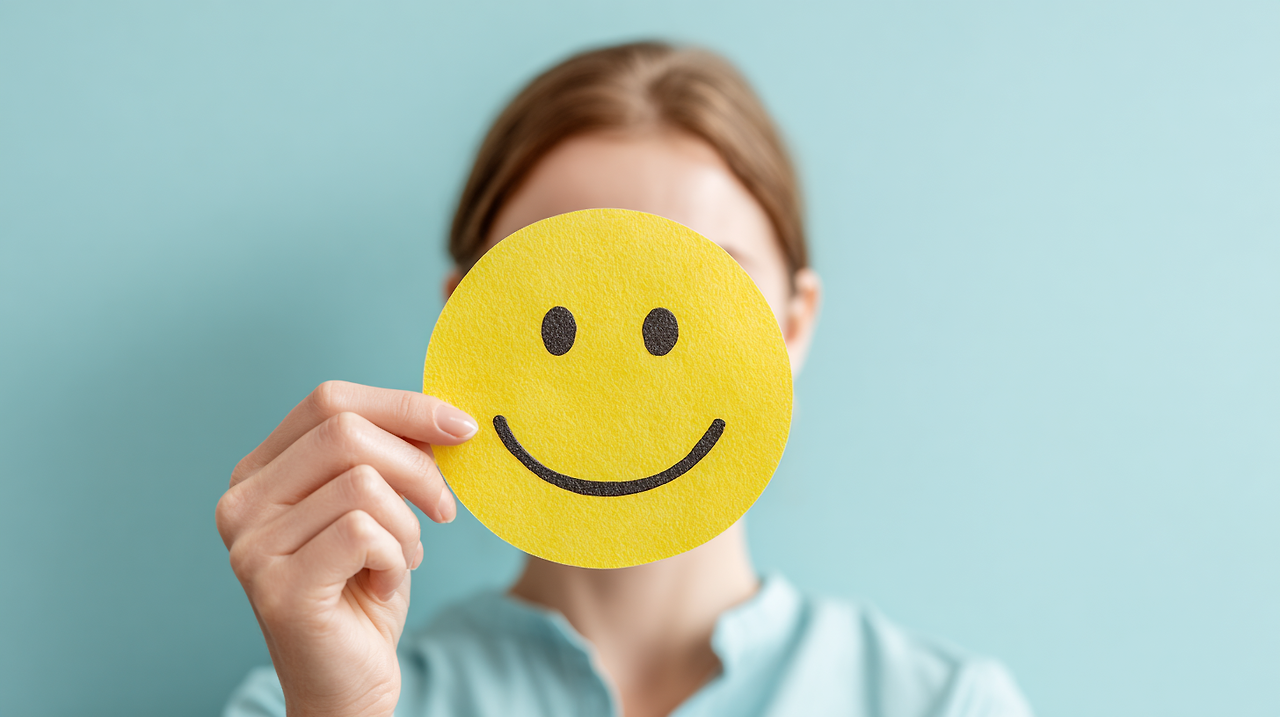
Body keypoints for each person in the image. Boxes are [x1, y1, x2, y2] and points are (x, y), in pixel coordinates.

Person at [217, 41, 1033, 717]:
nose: (618, 370)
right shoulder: (315, 697)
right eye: (560, 311)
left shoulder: (949, 704)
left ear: (793, 323)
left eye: (704, 285)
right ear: (463, 322)